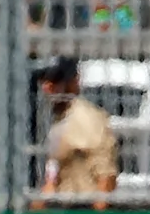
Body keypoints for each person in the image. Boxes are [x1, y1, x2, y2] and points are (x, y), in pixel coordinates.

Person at [36, 56, 119, 206]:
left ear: (74, 82)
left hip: (83, 212)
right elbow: (52, 180)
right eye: (44, 80)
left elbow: (106, 179)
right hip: (62, 211)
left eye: (55, 80)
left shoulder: (87, 118)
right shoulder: (59, 119)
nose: (47, 86)